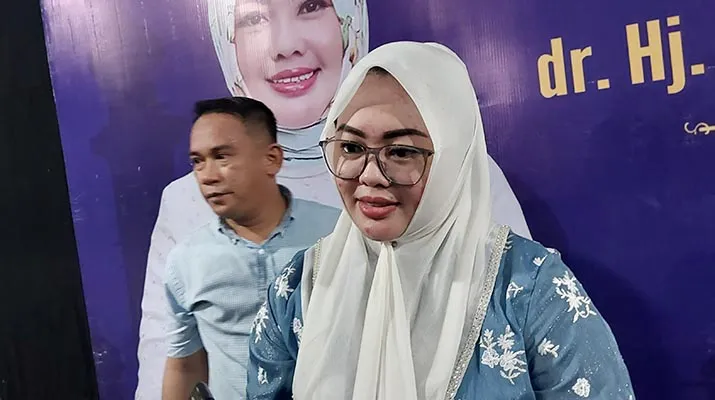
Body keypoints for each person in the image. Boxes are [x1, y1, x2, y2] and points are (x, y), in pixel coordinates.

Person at [136, 1, 529, 398]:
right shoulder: (296, 278)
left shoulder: (464, 181)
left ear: (350, 22)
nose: (283, 45)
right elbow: (170, 362)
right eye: (254, 18)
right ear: (227, 41)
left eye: (310, 5)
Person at [246, 42, 635, 399]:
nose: (370, 175)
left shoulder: (528, 289)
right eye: (350, 147)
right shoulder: (299, 290)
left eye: (401, 152)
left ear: (453, 158)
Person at [160, 97, 340, 400]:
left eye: (222, 156)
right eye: (197, 161)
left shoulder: (337, 234)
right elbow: (185, 366)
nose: (207, 175)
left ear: (272, 159)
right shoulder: (186, 261)